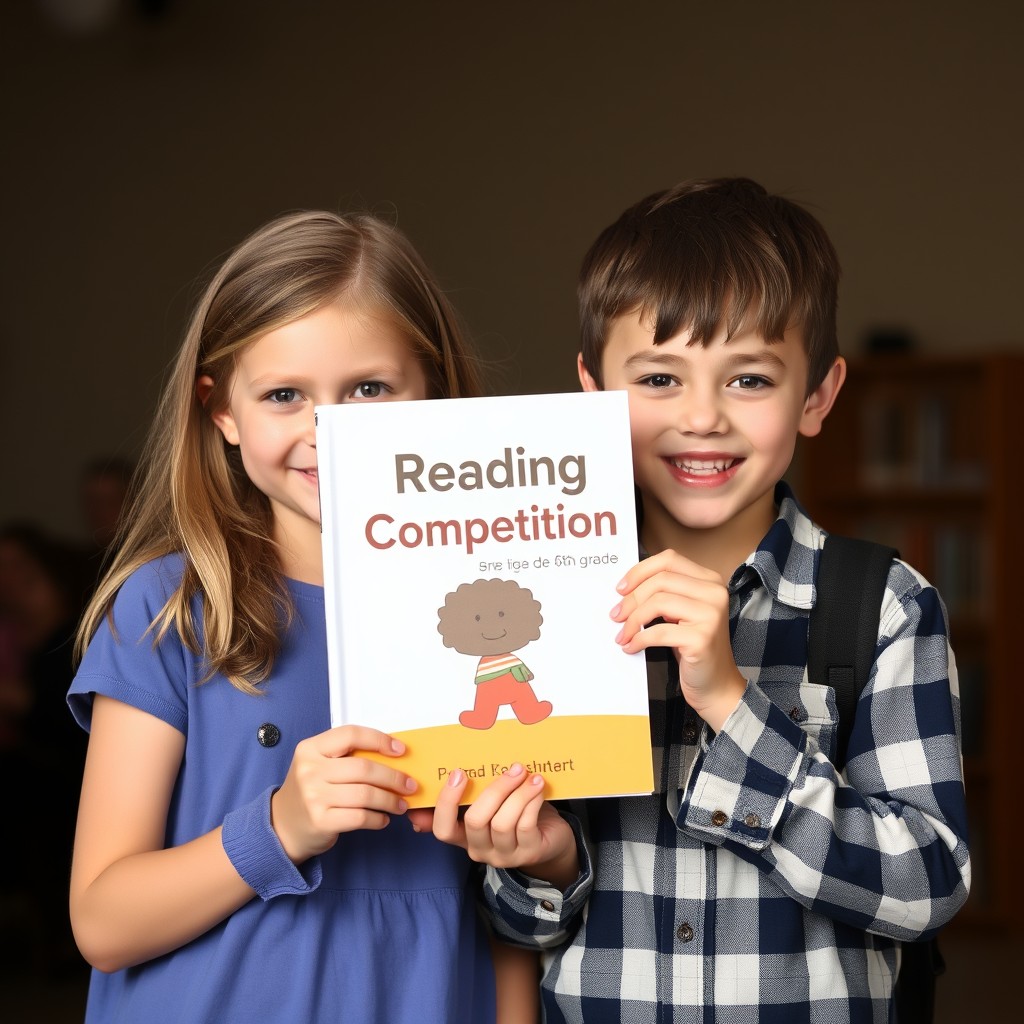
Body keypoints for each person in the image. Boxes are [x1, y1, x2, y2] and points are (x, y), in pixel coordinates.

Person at [411, 178, 971, 1022]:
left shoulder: (882, 605)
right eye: (660, 379)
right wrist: (539, 865)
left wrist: (732, 703)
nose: (702, 417)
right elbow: (516, 931)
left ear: (816, 397)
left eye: (749, 380)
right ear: (594, 391)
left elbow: (926, 886)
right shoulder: (542, 598)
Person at [67, 210, 539, 1023]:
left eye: (369, 388)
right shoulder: (168, 609)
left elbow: (513, 928)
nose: (333, 429)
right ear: (222, 413)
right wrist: (278, 827)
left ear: (431, 388)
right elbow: (103, 923)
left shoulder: (500, 611)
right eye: (285, 395)